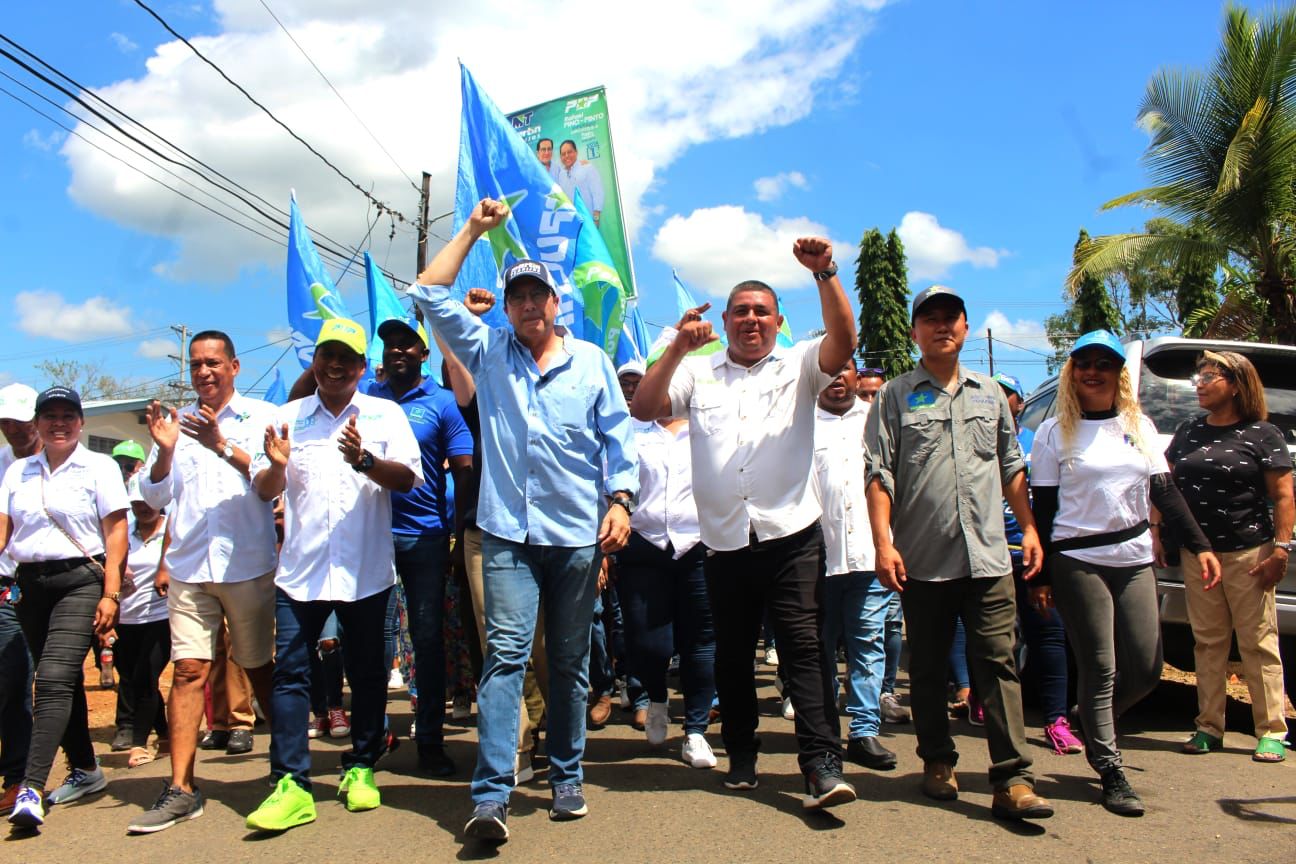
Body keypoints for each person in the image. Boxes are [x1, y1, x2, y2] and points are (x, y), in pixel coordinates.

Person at [408, 198, 637, 844]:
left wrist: (620, 502)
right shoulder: (488, 351)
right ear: (507, 308)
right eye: (519, 298)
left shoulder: (591, 364)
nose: (530, 307)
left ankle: (567, 773)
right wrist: (475, 229)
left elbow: (620, 441)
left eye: (539, 297)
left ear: (555, 304)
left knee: (567, 664)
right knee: (505, 657)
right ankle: (491, 795)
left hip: (574, 540)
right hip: (506, 535)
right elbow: (427, 292)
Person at [633, 236, 858, 810]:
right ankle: (742, 754)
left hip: (791, 535)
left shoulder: (801, 363)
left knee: (804, 650)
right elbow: (646, 407)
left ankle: (821, 765)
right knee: (730, 654)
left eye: (762, 311)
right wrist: (677, 349)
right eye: (741, 312)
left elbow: (845, 341)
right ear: (727, 322)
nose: (751, 320)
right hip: (726, 541)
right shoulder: (700, 372)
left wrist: (826, 273)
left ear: (780, 321)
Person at [865, 285, 1053, 822]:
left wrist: (1032, 531)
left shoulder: (990, 394)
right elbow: (878, 476)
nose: (942, 326)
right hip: (922, 559)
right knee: (925, 668)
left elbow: (1012, 468)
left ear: (966, 328)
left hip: (990, 558)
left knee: (997, 665)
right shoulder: (895, 396)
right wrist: (884, 543)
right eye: (930, 319)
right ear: (914, 332)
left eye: (952, 318)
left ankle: (1013, 778)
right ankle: (938, 761)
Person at [1029, 330, 1220, 816]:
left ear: (1119, 373)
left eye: (1105, 364)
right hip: (1078, 559)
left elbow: (1166, 494)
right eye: (1084, 363)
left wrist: (1200, 547)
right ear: (1073, 372)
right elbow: (1046, 508)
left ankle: (1091, 721)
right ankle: (1109, 766)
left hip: (1134, 557)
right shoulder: (1056, 431)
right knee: (1102, 665)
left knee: (1147, 667)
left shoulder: (1140, 424)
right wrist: (1042, 577)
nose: (1094, 372)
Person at [245, 317, 422, 831]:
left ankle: (362, 767)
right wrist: (277, 466)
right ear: (315, 362)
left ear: (363, 367)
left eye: (346, 356)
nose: (336, 364)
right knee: (292, 675)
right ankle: (292, 783)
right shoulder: (288, 416)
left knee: (367, 673)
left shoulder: (384, 414)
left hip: (366, 570)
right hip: (300, 571)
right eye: (327, 354)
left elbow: (408, 478)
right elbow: (263, 490)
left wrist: (365, 460)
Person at [128, 331, 279, 834]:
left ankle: (288, 769)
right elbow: (153, 494)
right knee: (189, 670)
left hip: (247, 564)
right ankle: (182, 787)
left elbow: (269, 483)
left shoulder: (260, 418)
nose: (204, 372)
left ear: (234, 366)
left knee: (259, 669)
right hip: (191, 568)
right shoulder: (174, 425)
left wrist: (220, 445)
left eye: (213, 363)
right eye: (196, 365)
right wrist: (166, 451)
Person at [1, 386, 128, 830]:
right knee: (66, 681)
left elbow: (116, 534)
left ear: (81, 422)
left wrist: (110, 594)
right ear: (36, 423)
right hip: (31, 585)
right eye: (49, 415)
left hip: (81, 580)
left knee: (51, 677)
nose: (59, 422)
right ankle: (87, 770)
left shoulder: (100, 466)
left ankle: (31, 788)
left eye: (67, 415)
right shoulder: (17, 472)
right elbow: (3, 529)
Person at [1164, 350, 1291, 763]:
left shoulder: (1262, 434)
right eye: (1198, 376)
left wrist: (1282, 549)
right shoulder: (1187, 431)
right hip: (1198, 553)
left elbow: (1284, 495)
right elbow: (1165, 484)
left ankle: (1271, 730)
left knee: (1257, 641)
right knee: (1208, 641)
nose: (1199, 383)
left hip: (1249, 552)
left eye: (1209, 376)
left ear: (1235, 384)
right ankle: (1208, 727)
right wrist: (1155, 531)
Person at [367, 314, 474, 774]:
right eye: (389, 343)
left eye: (407, 344)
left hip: (425, 539)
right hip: (368, 537)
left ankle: (430, 740)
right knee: (370, 641)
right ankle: (370, 739)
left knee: (427, 640)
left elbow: (465, 469)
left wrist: (459, 535)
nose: (397, 350)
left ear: (424, 354)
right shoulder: (363, 398)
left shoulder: (444, 404)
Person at [614, 354, 717, 765]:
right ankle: (656, 698)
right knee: (647, 642)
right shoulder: (629, 429)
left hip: (699, 545)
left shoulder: (708, 427)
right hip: (644, 545)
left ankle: (695, 730)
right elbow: (612, 480)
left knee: (702, 643)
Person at [813, 361, 896, 770]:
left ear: (855, 374)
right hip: (815, 561)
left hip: (869, 555)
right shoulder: (800, 423)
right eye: (827, 370)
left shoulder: (878, 421)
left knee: (867, 646)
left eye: (843, 369)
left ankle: (864, 732)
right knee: (819, 650)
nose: (836, 378)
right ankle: (825, 732)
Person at [110, 475, 172, 768]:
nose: (143, 507)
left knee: (147, 676)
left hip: (160, 616)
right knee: (134, 679)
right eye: (136, 503)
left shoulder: (171, 532)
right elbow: (104, 562)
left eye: (147, 502)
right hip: (126, 618)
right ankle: (165, 734)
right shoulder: (123, 534)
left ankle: (138, 743)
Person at [0, 384, 38, 816]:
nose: (13, 428)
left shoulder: (69, 461)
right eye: (5, 422)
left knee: (20, 684)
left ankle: (20, 776)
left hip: (36, 587)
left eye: (20, 420)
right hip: (5, 583)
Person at [554, 139, 604, 226]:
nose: (566, 156)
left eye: (569, 152)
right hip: (571, 224)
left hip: (588, 222)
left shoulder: (587, 168)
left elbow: (598, 193)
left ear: (576, 152)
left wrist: (596, 220)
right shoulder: (561, 175)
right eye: (563, 154)